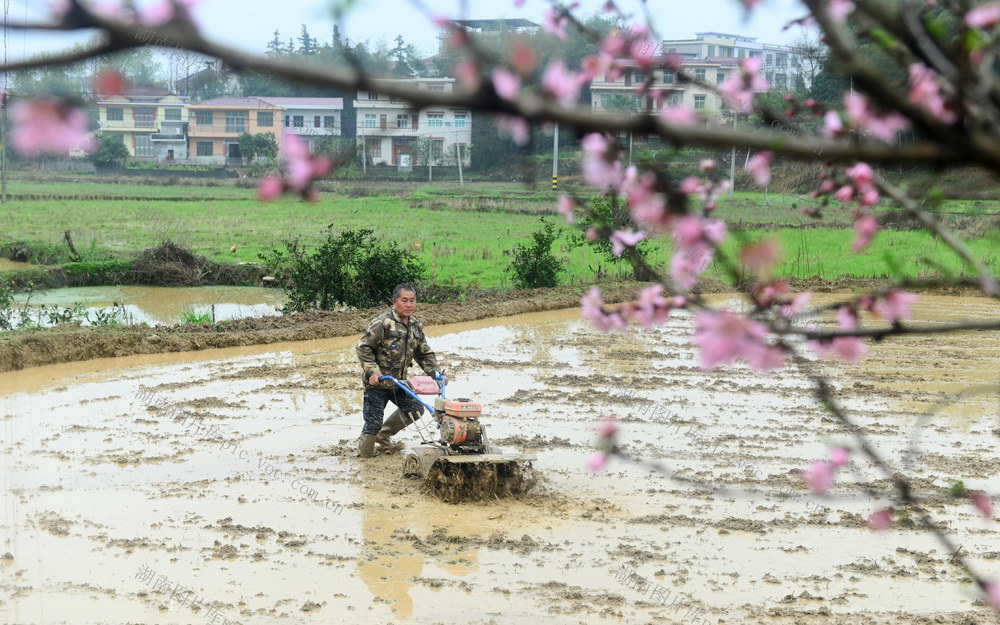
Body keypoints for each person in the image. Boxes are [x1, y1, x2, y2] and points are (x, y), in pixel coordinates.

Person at [355, 283, 439, 458]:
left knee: (415, 409)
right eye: (404, 300)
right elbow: (363, 347)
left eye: (412, 301)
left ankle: (383, 436)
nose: (409, 305)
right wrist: (372, 371)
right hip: (378, 383)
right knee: (372, 424)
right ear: (394, 301)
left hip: (399, 383)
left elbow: (423, 352)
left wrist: (437, 373)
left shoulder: (416, 325)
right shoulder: (383, 322)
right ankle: (364, 461)